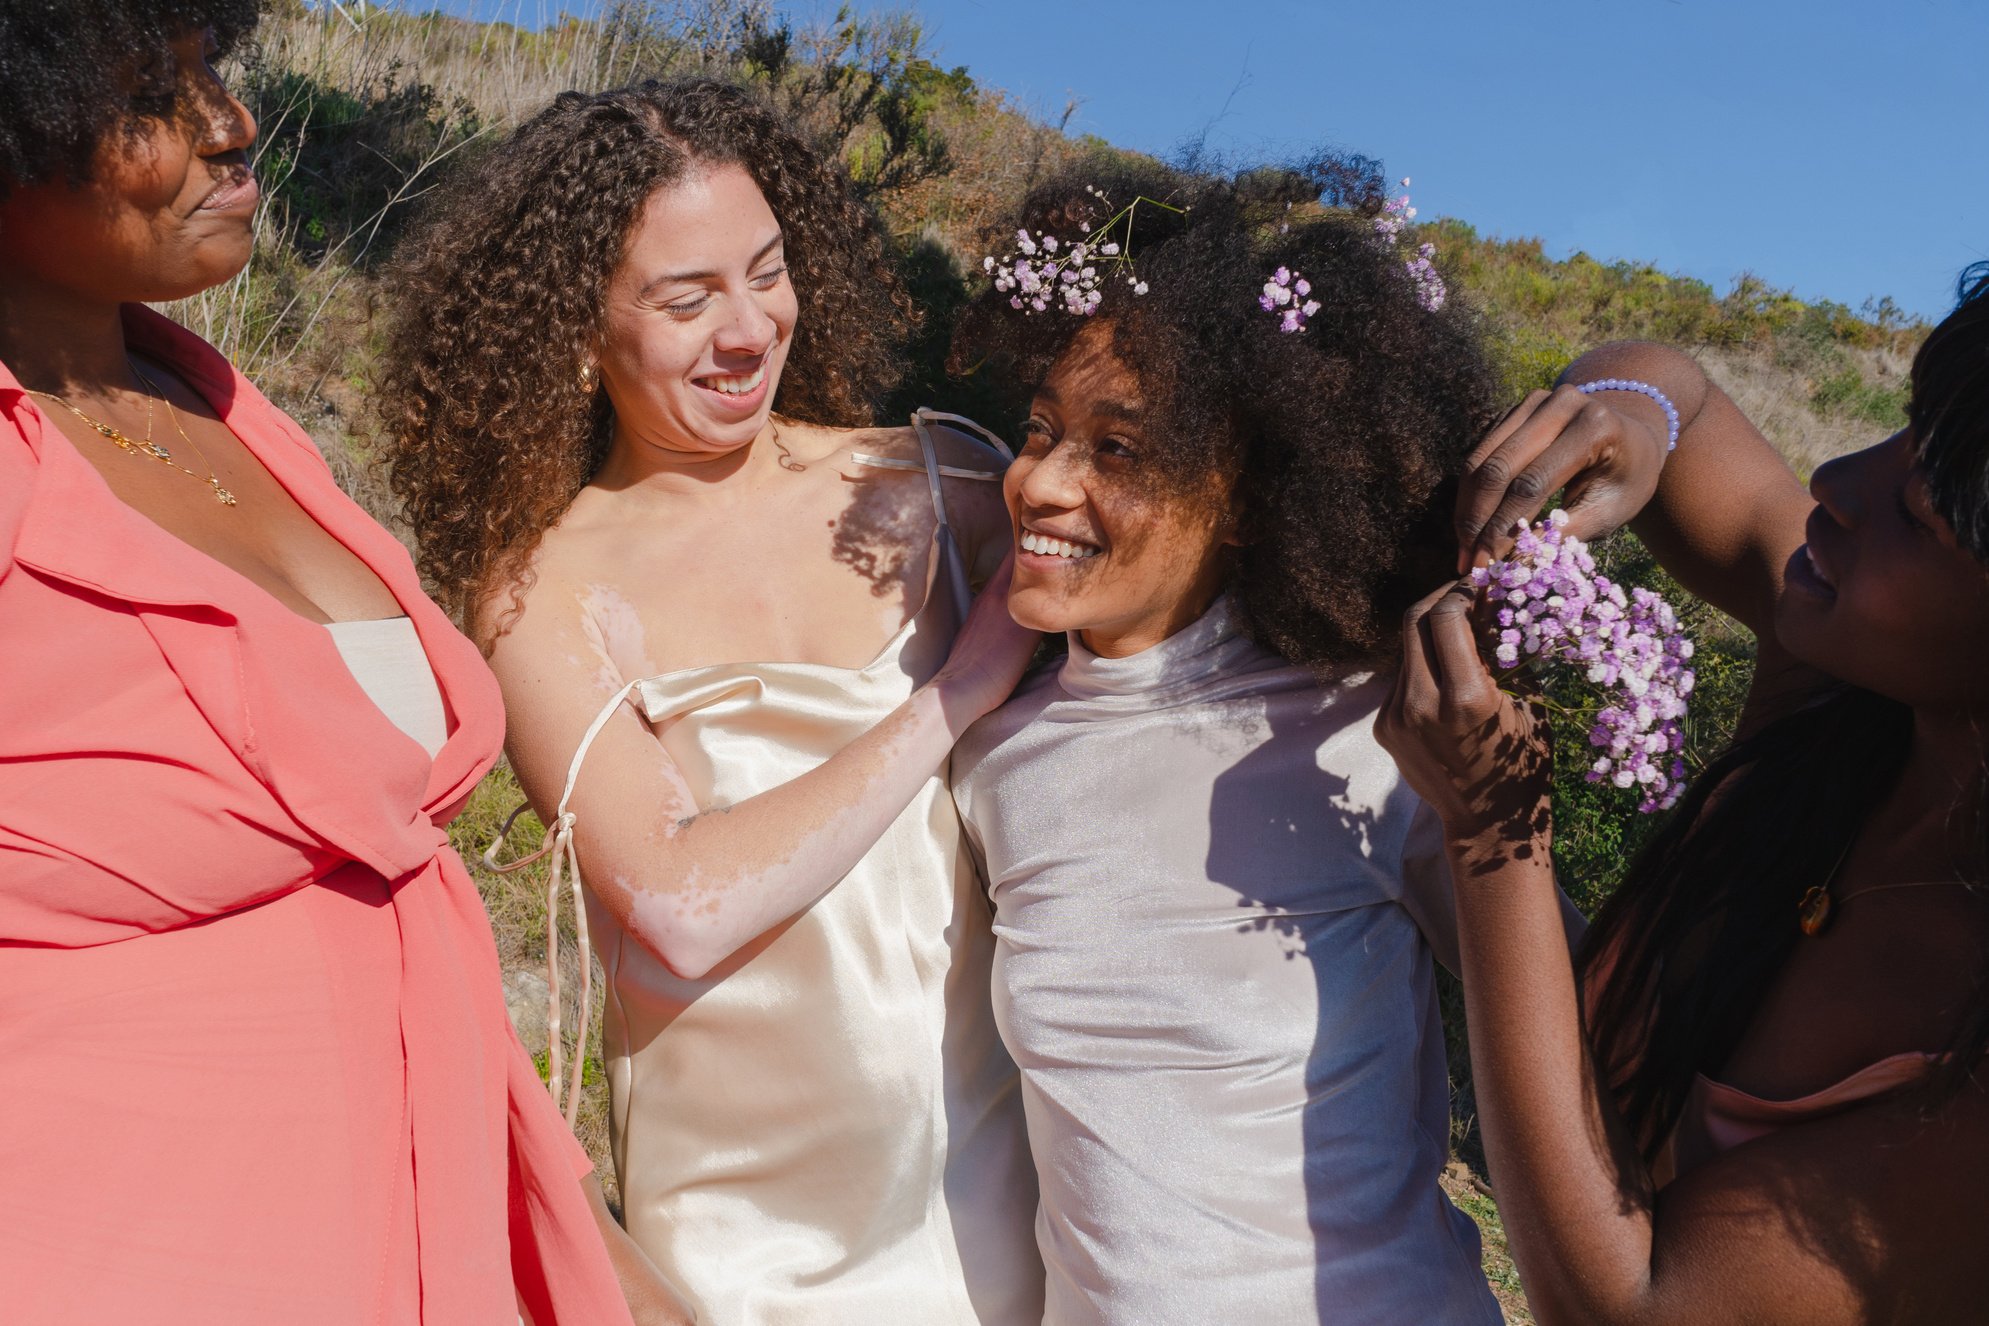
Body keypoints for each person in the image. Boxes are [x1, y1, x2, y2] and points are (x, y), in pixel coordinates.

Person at [0, 5, 633, 1323]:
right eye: (143, 99)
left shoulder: (215, 405)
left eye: (209, 73)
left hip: (399, 1219)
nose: (230, 124)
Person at [376, 79, 1044, 1323]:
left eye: (769, 270)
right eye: (688, 300)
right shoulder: (543, 594)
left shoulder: (950, 485)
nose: (751, 330)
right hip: (755, 1257)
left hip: (1017, 1205)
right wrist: (958, 690)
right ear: (578, 332)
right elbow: (679, 908)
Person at [944, 160, 1532, 1324]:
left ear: (1250, 497)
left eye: (1118, 452)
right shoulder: (994, 763)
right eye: (1042, 431)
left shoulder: (1369, 734)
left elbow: (1586, 1039)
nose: (1043, 484)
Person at [1378, 268, 1989, 1323]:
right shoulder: (1850, 693)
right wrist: (1633, 417)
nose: (1838, 479)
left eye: (1923, 510)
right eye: (1897, 430)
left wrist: (1492, 835)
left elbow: (1626, 1305)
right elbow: (1675, 390)